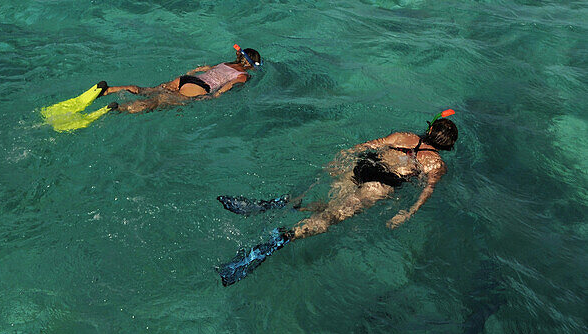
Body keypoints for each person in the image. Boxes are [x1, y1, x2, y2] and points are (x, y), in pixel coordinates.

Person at [216, 111, 458, 286]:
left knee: (325, 202)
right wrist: (408, 212)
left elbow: (362, 146)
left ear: (429, 129)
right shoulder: (435, 163)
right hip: (380, 185)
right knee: (331, 216)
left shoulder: (402, 136)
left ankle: (275, 204)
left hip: (363, 165)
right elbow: (428, 190)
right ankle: (282, 238)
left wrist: (340, 158)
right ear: (447, 146)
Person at [41, 45, 262, 131]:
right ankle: (118, 109)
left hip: (185, 79)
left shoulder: (224, 63)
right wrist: (209, 99)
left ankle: (111, 89)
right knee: (156, 103)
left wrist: (191, 75)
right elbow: (225, 89)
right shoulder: (243, 76)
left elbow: (202, 68)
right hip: (200, 88)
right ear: (251, 66)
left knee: (150, 90)